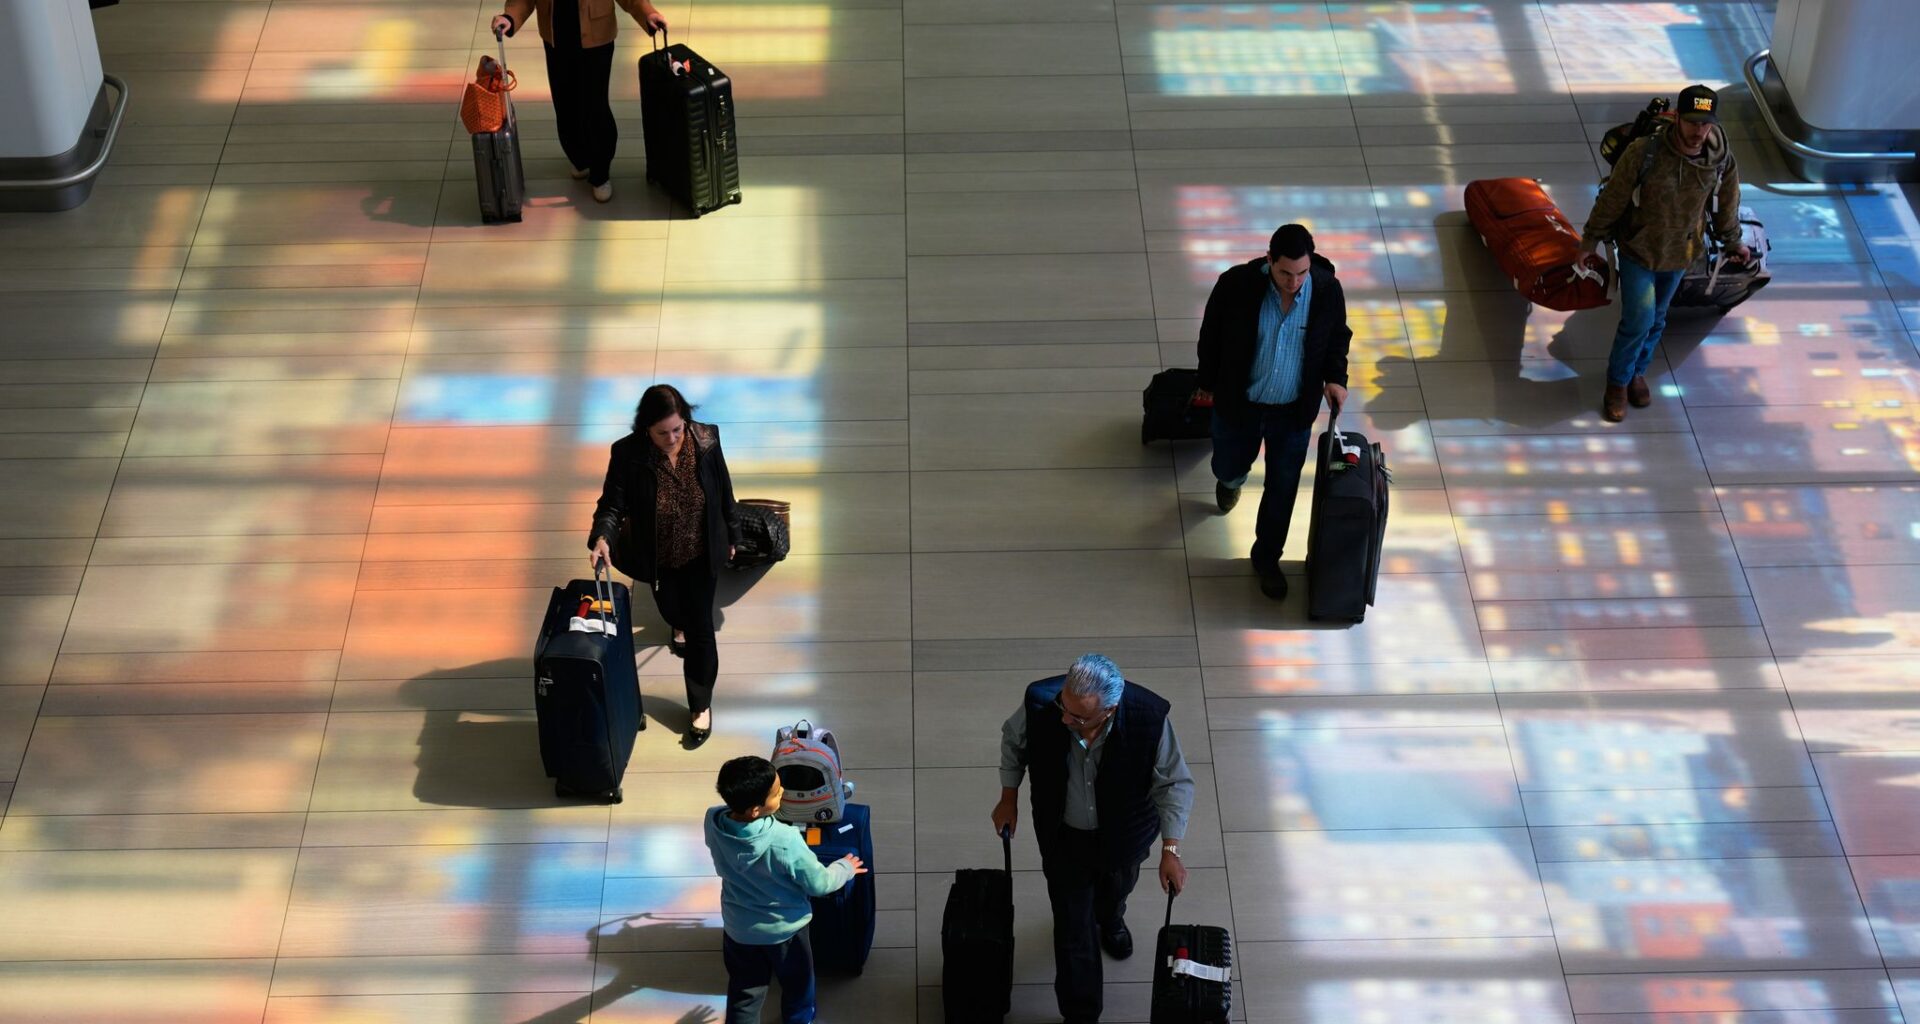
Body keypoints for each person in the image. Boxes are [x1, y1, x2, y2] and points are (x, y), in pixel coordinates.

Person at [991, 654, 1195, 1024]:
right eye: (1064, 709)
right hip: (1063, 837)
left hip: (1124, 838)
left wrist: (1171, 849)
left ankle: (1112, 919)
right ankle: (1080, 1013)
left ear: (1110, 710)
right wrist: (1009, 797)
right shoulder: (1042, 702)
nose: (1066, 720)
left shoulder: (1149, 718)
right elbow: (1014, 742)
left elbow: (1174, 783)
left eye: (1078, 717)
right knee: (1072, 929)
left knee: (1115, 891)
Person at [1195, 223, 1353, 601]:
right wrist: (1207, 380)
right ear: (1269, 260)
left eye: (1301, 272)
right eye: (1285, 272)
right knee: (1228, 465)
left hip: (1292, 412)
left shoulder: (1327, 290)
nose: (1294, 281)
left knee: (1282, 489)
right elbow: (1211, 333)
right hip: (1241, 404)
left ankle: (1267, 558)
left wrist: (1335, 378)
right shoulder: (1236, 285)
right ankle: (1230, 481)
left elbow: (1336, 337)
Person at [1581, 83, 1749, 423]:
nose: (1698, 131)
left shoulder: (1720, 161)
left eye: (1705, 123)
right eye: (1691, 122)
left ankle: (1636, 372)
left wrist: (1733, 242)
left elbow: (1726, 205)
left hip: (1680, 251)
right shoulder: (1645, 152)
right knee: (1638, 319)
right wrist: (1590, 239)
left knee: (1657, 318)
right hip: (1639, 247)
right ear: (1677, 120)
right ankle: (1617, 383)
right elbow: (1613, 197)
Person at [590, 384, 739, 748]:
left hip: (701, 553)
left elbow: (723, 489)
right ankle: (678, 624)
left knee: (701, 627)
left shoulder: (706, 440)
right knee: (674, 611)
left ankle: (700, 704)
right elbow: (612, 503)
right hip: (659, 557)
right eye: (662, 433)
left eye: (678, 428)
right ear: (645, 429)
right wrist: (602, 537)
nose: (672, 438)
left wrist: (732, 532)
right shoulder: (627, 454)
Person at [706, 755, 867, 1024]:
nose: (783, 792)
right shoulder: (784, 840)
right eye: (776, 792)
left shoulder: (713, 821)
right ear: (755, 810)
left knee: (744, 992)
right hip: (785, 932)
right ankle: (799, 1018)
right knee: (797, 983)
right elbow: (820, 884)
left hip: (738, 930)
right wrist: (844, 868)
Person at [491, 0, 667, 203]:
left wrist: (647, 13)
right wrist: (511, 16)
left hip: (596, 37)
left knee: (595, 105)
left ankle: (600, 172)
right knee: (564, 103)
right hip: (556, 36)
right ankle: (579, 156)